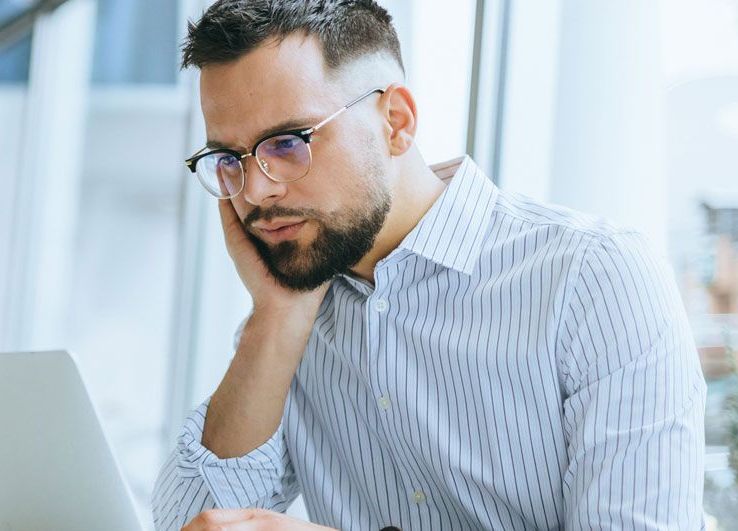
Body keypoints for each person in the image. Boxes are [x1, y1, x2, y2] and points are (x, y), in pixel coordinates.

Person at [154, 1, 704, 530]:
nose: (255, 191)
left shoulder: (594, 279)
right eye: (229, 160)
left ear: (396, 121)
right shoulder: (293, 318)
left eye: (288, 143)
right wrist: (274, 320)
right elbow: (189, 524)